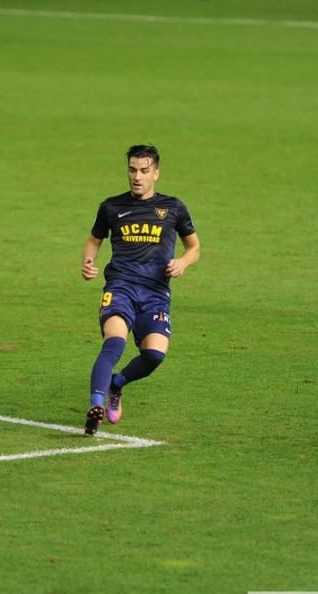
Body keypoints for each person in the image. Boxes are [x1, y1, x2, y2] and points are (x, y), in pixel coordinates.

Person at [80, 145, 200, 435]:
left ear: (156, 173)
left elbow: (194, 246)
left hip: (156, 294)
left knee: (154, 356)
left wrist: (183, 262)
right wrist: (87, 262)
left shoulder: (173, 208)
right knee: (114, 342)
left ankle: (115, 385)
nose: (137, 176)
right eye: (132, 170)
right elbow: (94, 240)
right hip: (120, 286)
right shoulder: (111, 207)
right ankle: (95, 405)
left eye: (144, 171)